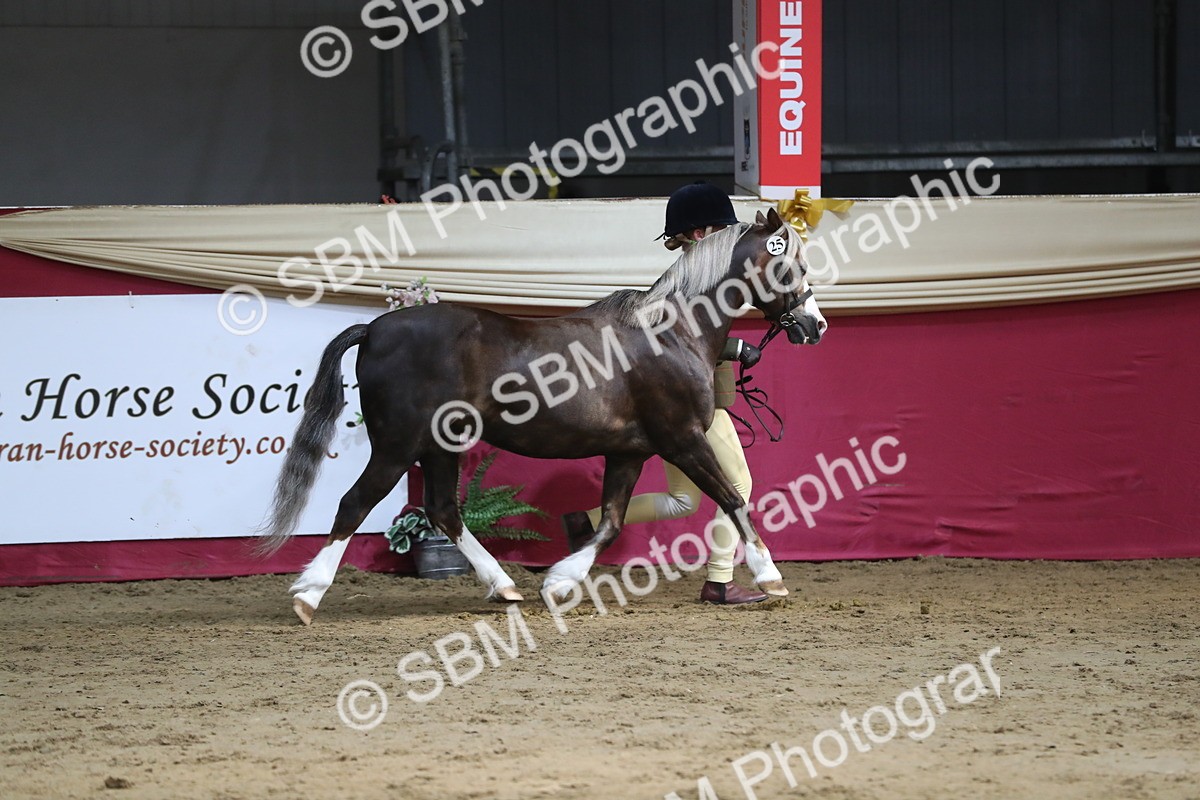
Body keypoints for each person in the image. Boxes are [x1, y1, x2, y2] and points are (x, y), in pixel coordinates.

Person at [561, 181, 769, 605]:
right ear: (700, 234)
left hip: (682, 400)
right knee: (739, 483)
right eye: (723, 231)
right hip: (690, 405)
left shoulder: (695, 277)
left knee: (682, 500)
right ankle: (721, 579)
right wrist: (736, 347)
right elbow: (683, 342)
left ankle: (587, 522)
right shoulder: (694, 279)